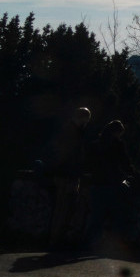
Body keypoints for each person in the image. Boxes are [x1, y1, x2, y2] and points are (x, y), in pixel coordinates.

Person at [84, 120, 140, 251]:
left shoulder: (95, 145)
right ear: (117, 132)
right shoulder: (117, 145)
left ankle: (92, 243)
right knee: (117, 215)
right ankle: (113, 245)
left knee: (96, 217)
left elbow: (88, 164)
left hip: (96, 184)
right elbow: (125, 163)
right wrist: (135, 174)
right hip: (112, 184)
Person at [48, 106, 92, 249]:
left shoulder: (71, 130)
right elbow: (70, 154)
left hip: (68, 174)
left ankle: (57, 238)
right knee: (63, 208)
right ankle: (56, 239)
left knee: (65, 208)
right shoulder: (72, 132)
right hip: (67, 175)